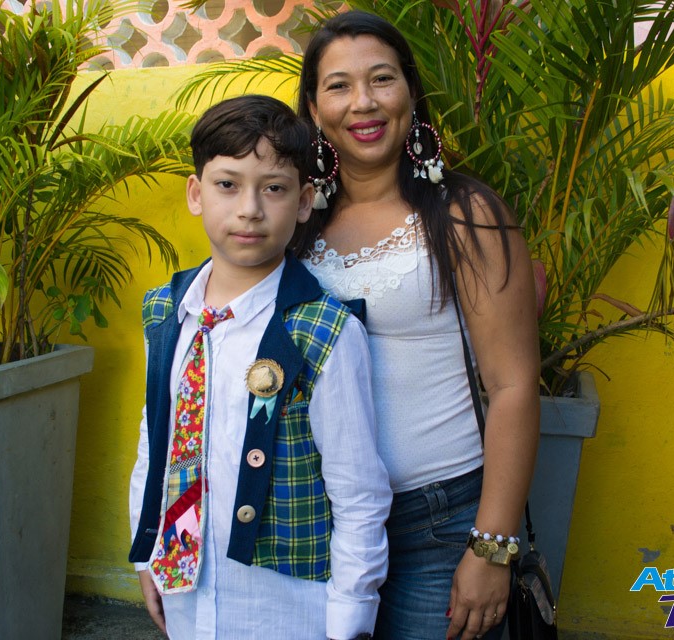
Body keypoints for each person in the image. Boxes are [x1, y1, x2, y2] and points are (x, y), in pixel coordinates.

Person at [294, 11, 541, 640]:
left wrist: (492, 547)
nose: (363, 102)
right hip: (316, 524)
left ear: (410, 91)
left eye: (382, 79)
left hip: (440, 524)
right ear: (315, 109)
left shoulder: (464, 214)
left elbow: (513, 385)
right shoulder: (293, 221)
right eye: (339, 86)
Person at [128, 94, 391, 640]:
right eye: (227, 184)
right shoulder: (165, 312)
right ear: (196, 194)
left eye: (273, 188)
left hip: (287, 609)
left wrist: (350, 617)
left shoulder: (323, 332)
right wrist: (147, 553)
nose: (249, 208)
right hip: (183, 584)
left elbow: (358, 491)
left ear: (304, 201)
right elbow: (155, 443)